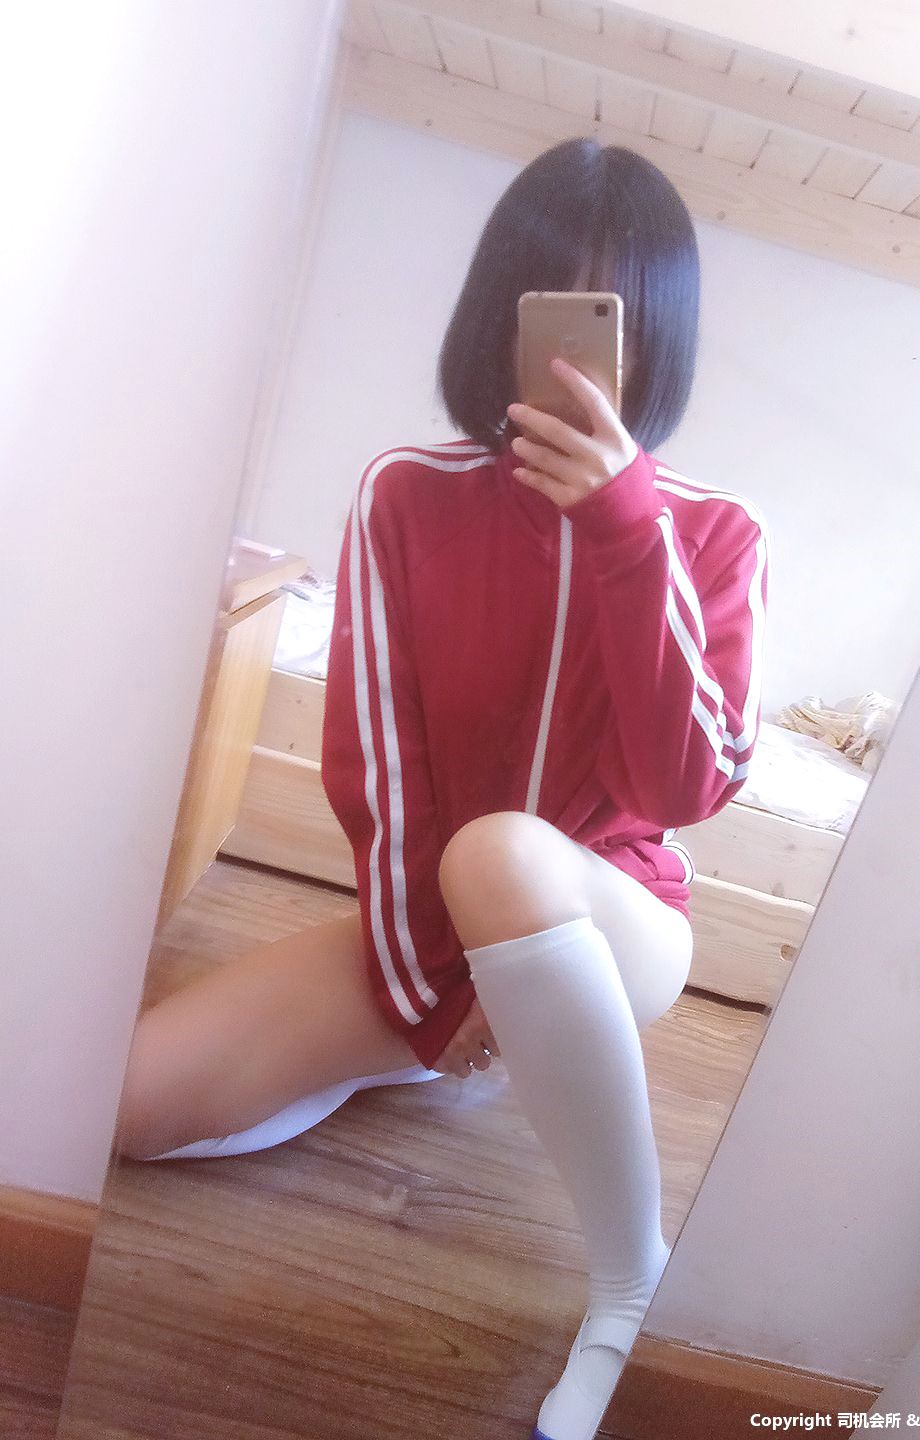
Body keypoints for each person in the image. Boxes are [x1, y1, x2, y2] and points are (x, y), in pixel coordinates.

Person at [114, 137, 769, 1440]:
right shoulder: (405, 497)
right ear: (496, 318)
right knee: (134, 1109)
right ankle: (456, 1049)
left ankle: (632, 1283)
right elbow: (376, 772)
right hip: (429, 926)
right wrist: (435, 998)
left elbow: (690, 783)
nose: (578, 360)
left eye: (614, 321)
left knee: (503, 854)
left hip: (617, 923)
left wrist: (627, 530)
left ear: (661, 340)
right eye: (550, 307)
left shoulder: (713, 531)